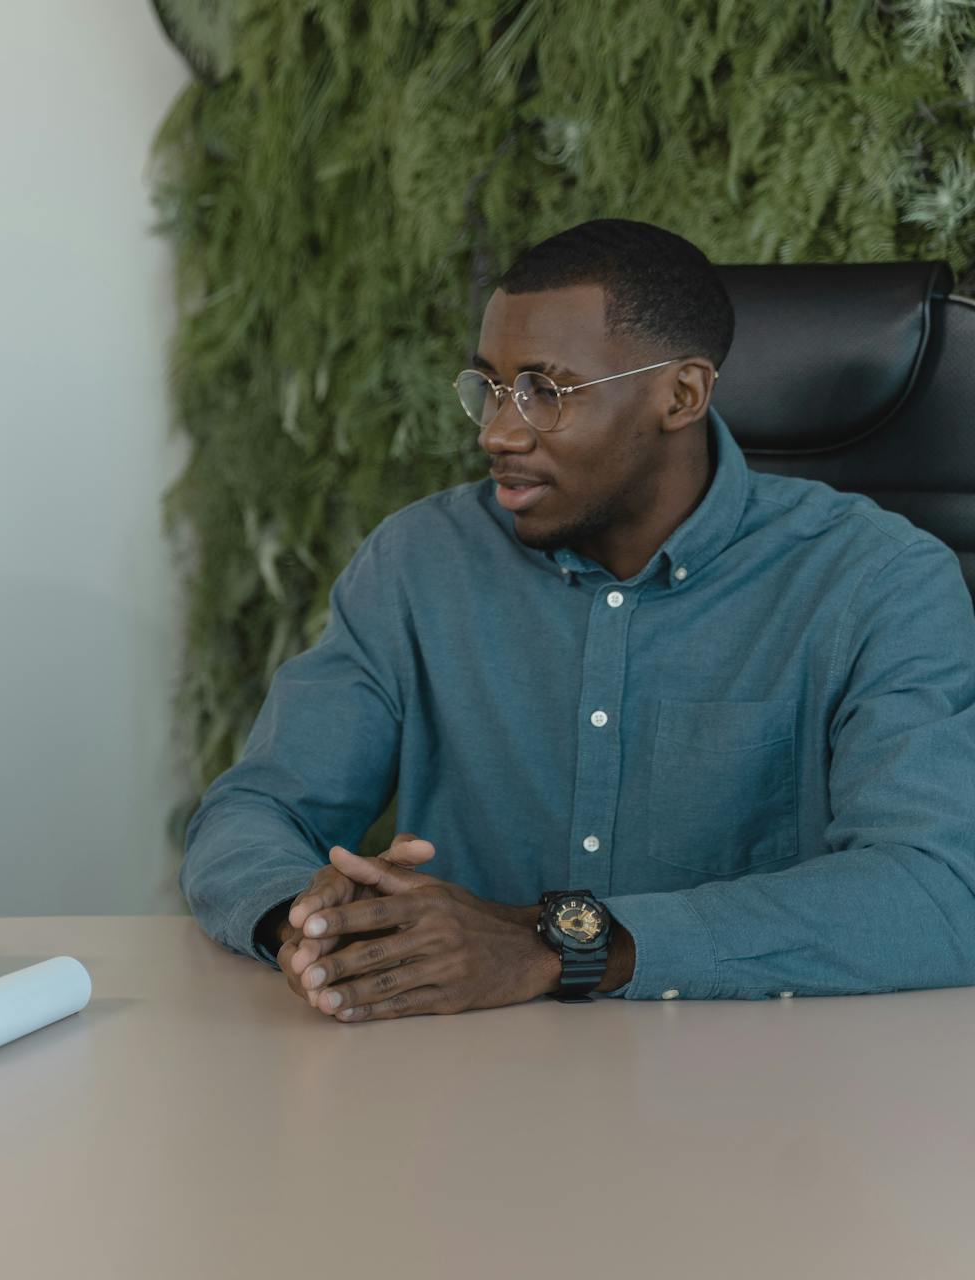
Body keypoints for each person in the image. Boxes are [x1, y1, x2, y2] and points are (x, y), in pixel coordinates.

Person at [182, 218, 975, 1020]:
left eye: (545, 392)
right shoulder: (420, 563)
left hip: (752, 1089)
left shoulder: (876, 581)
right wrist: (320, 921)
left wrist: (551, 943)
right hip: (460, 1074)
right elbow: (254, 812)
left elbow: (939, 891)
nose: (498, 430)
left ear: (682, 394)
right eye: (488, 386)